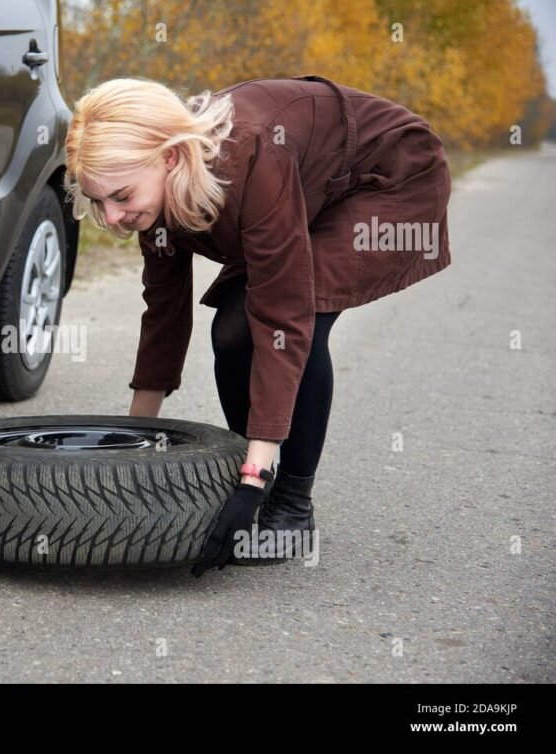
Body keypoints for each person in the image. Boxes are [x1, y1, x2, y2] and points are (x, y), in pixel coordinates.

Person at [62, 75, 452, 574]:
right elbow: (164, 309)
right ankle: (252, 469)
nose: (112, 217)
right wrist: (135, 442)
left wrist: (252, 483)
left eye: (119, 196)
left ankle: (289, 508)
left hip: (388, 182)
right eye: (98, 202)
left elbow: (282, 316)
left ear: (170, 158)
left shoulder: (250, 155)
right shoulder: (151, 194)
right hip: (310, 188)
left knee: (282, 316)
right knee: (231, 330)